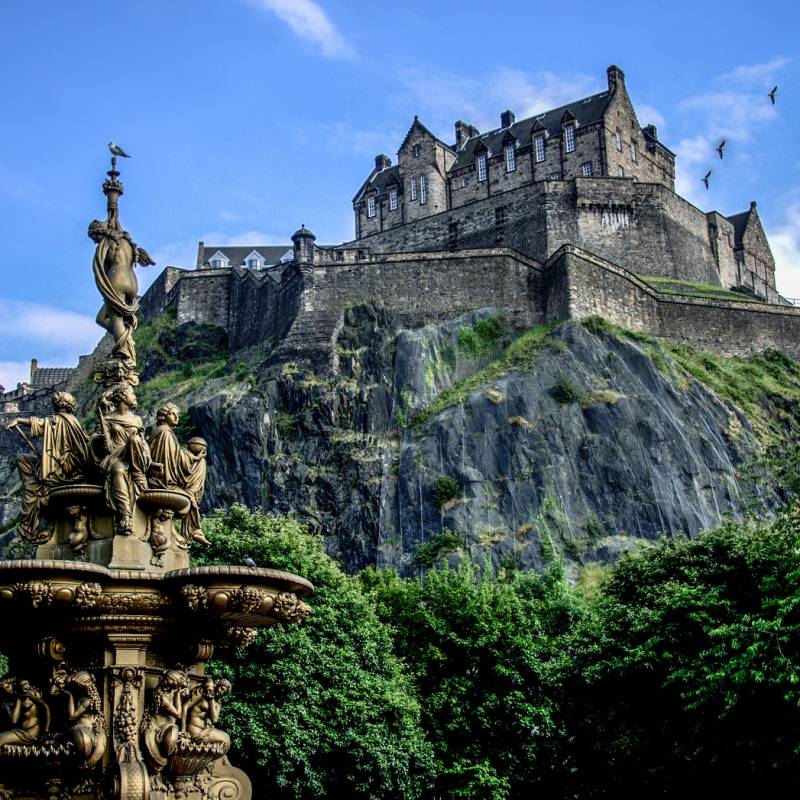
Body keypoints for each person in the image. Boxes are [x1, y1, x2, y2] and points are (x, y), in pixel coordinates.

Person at [5, 391, 89, 543]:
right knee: (23, 459)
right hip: (64, 467)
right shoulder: (73, 421)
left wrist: (18, 419)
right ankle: (33, 485)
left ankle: (27, 529)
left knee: (31, 492)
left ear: (59, 405)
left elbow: (40, 423)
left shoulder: (58, 420)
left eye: (55, 403)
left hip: (61, 470)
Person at [94, 383, 157, 536]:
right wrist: (100, 439)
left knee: (134, 439)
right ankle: (125, 516)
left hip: (134, 457)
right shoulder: (108, 418)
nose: (134, 397)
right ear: (122, 396)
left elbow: (143, 443)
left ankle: (137, 472)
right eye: (132, 393)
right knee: (118, 470)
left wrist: (149, 460)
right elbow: (96, 440)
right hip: (116, 456)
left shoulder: (137, 420)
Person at [147, 403, 209, 546]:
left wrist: (195, 458)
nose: (176, 417)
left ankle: (191, 531)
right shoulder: (164, 433)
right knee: (189, 498)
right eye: (172, 414)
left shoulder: (167, 433)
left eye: (177, 415)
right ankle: (192, 531)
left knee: (200, 464)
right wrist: (195, 458)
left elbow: (177, 455)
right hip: (163, 479)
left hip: (166, 477)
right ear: (164, 416)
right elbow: (171, 459)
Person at [50, 670, 106, 769]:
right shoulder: (84, 698)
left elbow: (72, 716)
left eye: (74, 687)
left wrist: (70, 696)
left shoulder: (87, 701)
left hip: (83, 729)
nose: (73, 689)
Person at [181, 678, 230, 754]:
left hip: (205, 730)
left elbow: (214, 719)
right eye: (222, 689)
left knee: (226, 740)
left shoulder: (217, 704)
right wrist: (183, 731)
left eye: (224, 692)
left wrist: (211, 700)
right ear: (216, 685)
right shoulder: (202, 693)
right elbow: (185, 707)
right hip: (194, 730)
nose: (222, 692)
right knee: (225, 739)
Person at [0, 677, 51, 746]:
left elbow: (45, 707)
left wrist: (46, 729)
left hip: (32, 732)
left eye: (26, 684)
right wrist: (18, 698)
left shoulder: (31, 695)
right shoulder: (17, 699)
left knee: (1, 738)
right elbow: (14, 720)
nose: (9, 688)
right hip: (22, 731)